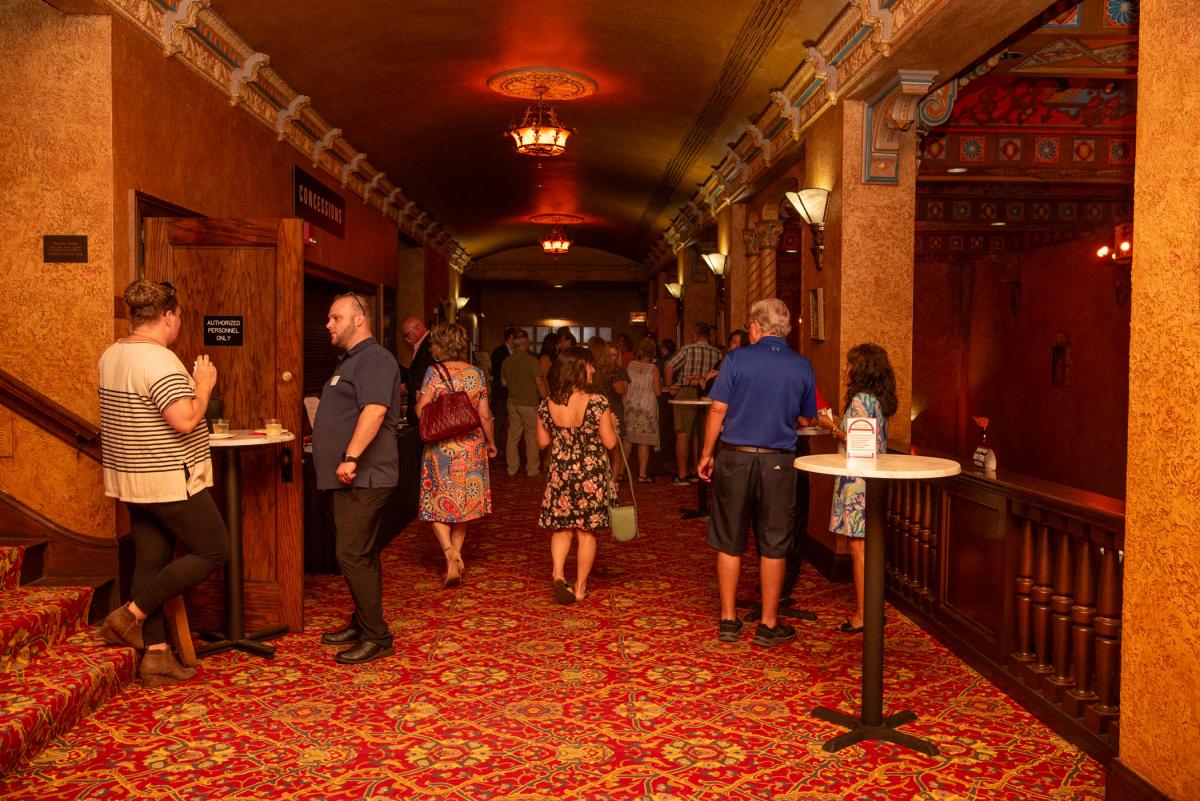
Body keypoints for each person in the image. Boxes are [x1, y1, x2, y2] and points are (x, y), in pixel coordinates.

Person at [97, 279, 229, 687]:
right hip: (167, 478)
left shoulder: (111, 354)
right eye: (179, 316)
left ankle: (155, 657)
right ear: (168, 316)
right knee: (213, 549)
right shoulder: (160, 361)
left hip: (131, 478)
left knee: (151, 559)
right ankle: (129, 616)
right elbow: (186, 420)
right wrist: (203, 386)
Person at [697, 299, 817, 648]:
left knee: (730, 541)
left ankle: (729, 620)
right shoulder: (801, 366)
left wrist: (707, 454)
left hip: (735, 458)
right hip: (779, 462)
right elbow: (807, 418)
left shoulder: (737, 359)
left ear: (756, 327)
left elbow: (718, 409)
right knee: (775, 545)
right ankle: (767, 625)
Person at [313, 292, 403, 665]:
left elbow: (376, 410)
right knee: (359, 554)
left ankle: (377, 636)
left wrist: (350, 457)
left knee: (351, 554)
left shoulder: (375, 358)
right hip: (348, 477)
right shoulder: (350, 360)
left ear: (359, 319)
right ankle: (363, 621)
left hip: (364, 475)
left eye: (336, 318)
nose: (328, 324)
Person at [416, 322, 497, 587]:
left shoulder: (433, 372)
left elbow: (421, 412)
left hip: (441, 448)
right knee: (464, 508)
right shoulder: (477, 373)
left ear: (437, 345)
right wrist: (491, 442)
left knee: (437, 503)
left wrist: (420, 398)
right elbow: (484, 414)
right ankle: (456, 553)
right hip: (471, 446)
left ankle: (449, 554)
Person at [537, 347, 618, 605]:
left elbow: (541, 442)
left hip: (560, 472)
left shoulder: (546, 404)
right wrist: (613, 426)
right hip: (590, 474)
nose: (593, 369)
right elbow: (610, 443)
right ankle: (580, 587)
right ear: (577, 369)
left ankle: (558, 574)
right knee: (586, 532)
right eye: (589, 365)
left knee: (562, 528)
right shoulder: (598, 402)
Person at [829, 343, 898, 634]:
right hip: (874, 477)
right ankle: (871, 608)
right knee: (866, 545)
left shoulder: (859, 400)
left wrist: (830, 426)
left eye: (850, 364)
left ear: (863, 370)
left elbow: (857, 441)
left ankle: (863, 614)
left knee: (858, 547)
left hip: (857, 481)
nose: (845, 368)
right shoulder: (877, 400)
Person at [664, 323, 721, 485]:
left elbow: (669, 365)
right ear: (708, 336)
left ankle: (682, 475)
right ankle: (699, 471)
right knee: (701, 434)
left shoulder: (687, 350)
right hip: (708, 393)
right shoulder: (717, 353)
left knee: (683, 433)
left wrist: (670, 385)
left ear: (695, 335)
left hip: (687, 390)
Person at [501, 329, 547, 477]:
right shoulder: (532, 361)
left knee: (512, 437)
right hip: (529, 404)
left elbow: (504, 383)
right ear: (526, 343)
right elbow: (539, 383)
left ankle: (512, 468)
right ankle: (532, 469)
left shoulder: (506, 361)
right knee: (531, 437)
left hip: (512, 403)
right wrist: (545, 398)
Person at [587, 337, 630, 485]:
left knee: (595, 449)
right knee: (614, 450)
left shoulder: (588, 368)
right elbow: (621, 389)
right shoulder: (609, 370)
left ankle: (598, 482)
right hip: (609, 410)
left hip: (592, 411)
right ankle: (612, 484)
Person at [624, 337, 662, 483]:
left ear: (639, 350)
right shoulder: (653, 369)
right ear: (653, 353)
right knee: (643, 442)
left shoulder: (631, 365)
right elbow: (657, 392)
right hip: (646, 408)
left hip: (631, 406)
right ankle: (642, 475)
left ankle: (621, 471)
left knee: (628, 439)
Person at [402, 317, 434, 427]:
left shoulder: (428, 345)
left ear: (418, 328)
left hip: (423, 409)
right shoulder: (423, 344)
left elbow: (423, 377)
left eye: (407, 334)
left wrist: (406, 387)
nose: (406, 339)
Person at [490, 327, 517, 457]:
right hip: (501, 392)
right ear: (511, 337)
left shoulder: (515, 352)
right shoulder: (499, 352)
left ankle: (508, 448)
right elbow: (497, 373)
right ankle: (496, 447)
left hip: (513, 393)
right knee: (499, 420)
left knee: (511, 422)